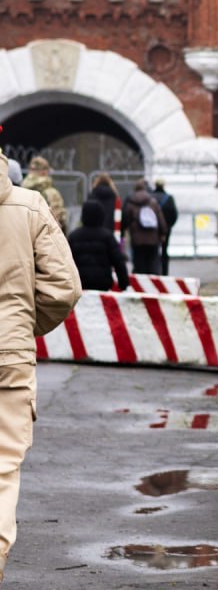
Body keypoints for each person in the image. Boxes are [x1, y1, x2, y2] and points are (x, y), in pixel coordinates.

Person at [0, 148, 81, 581]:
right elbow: (64, 289)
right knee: (1, 471)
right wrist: (23, 329)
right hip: (7, 358)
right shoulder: (30, 206)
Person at [67, 201, 130, 292]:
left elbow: (67, 262)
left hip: (80, 284)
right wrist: (123, 283)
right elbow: (118, 261)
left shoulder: (74, 237)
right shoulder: (107, 236)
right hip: (102, 284)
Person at [120, 179, 168, 276]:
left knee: (139, 264)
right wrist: (163, 233)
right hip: (153, 239)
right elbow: (160, 219)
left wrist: (122, 233)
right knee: (153, 263)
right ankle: (154, 284)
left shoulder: (130, 203)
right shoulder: (152, 202)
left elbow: (125, 220)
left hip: (137, 239)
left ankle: (140, 285)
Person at [20, 157, 66, 234]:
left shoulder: (21, 190)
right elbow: (56, 220)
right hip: (45, 237)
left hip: (24, 234)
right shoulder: (51, 193)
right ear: (44, 172)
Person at [151, 179, 178, 275]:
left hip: (151, 230)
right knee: (164, 251)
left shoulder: (150, 198)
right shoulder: (169, 198)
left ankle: (153, 272)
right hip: (166, 230)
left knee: (153, 252)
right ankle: (164, 272)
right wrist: (168, 227)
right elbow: (174, 215)